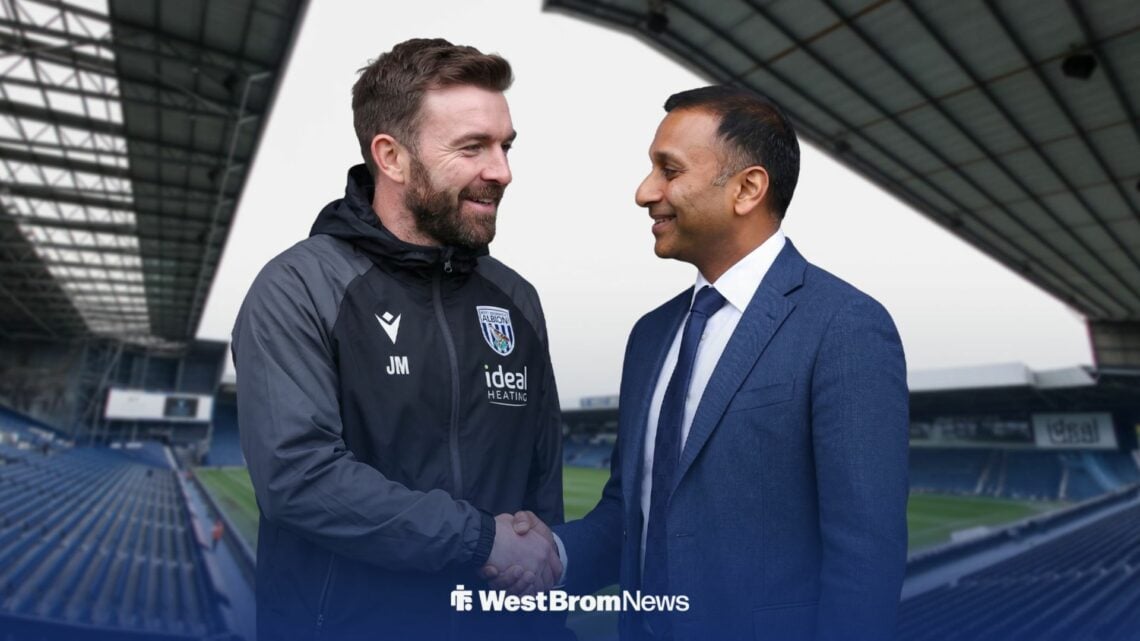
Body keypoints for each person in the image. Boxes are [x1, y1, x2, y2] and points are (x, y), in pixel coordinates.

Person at [496, 86, 909, 640]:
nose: (645, 192)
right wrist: (551, 556)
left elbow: (865, 559)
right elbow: (628, 514)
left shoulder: (845, 327)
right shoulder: (650, 336)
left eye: (669, 170)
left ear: (748, 188)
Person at [232, 38, 564, 641]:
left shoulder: (517, 300)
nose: (502, 171)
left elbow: (543, 489)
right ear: (391, 156)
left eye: (505, 146)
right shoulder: (299, 287)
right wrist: (481, 541)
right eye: (473, 148)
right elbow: (299, 478)